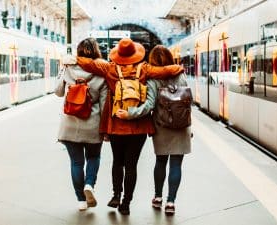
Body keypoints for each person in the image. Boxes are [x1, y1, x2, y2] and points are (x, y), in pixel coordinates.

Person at [64, 38, 184, 215]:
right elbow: (164, 71)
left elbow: (91, 64)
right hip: (139, 126)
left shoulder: (110, 68)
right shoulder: (144, 68)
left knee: (117, 162)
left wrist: (75, 59)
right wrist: (178, 68)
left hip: (117, 124)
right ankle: (126, 202)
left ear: (118, 54)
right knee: (131, 166)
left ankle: (116, 195)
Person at [116, 45, 192, 216]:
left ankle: (158, 198)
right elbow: (187, 100)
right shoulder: (180, 74)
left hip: (162, 125)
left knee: (161, 162)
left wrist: (130, 113)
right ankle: (171, 202)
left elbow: (149, 106)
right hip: (181, 126)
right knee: (176, 164)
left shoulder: (152, 80)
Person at [55, 38, 107, 211]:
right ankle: (89, 184)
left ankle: (81, 201)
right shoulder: (101, 72)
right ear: (96, 51)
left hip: (70, 125)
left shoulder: (68, 67)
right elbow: (105, 102)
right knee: (93, 157)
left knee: (76, 163)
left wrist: (62, 71)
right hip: (93, 125)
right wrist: (106, 129)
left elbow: (58, 92)